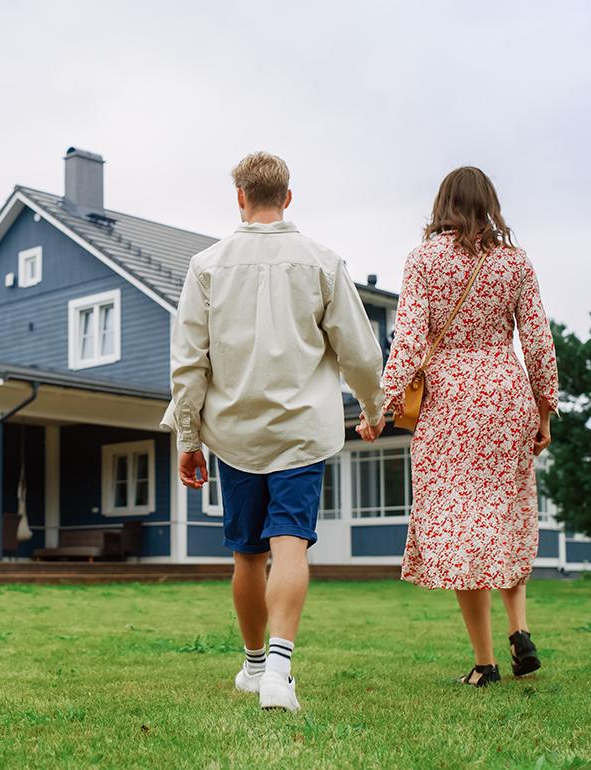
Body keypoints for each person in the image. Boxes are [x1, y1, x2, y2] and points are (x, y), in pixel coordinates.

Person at [163, 152, 385, 711]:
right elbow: (359, 351)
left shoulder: (206, 266)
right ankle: (278, 674)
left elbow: (189, 365)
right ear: (288, 197)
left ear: (240, 196)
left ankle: (255, 665)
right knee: (291, 544)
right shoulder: (322, 261)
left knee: (246, 555)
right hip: (302, 432)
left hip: (235, 434)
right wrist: (373, 406)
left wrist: (188, 440)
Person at [370, 167, 558, 687]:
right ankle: (520, 629)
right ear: (490, 205)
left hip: (450, 402)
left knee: (462, 529)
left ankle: (485, 662)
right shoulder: (515, 263)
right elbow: (538, 343)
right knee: (507, 515)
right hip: (506, 395)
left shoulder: (424, 259)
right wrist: (544, 409)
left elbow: (407, 341)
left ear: (443, 205)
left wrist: (381, 403)